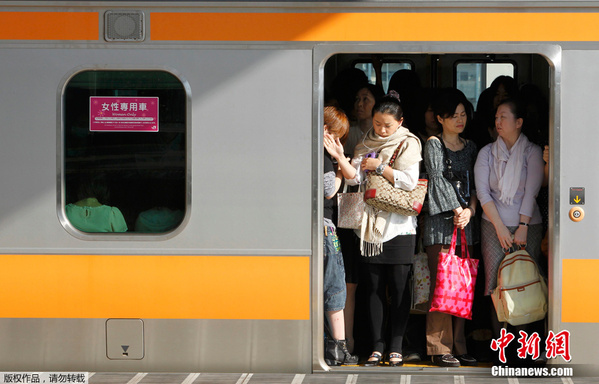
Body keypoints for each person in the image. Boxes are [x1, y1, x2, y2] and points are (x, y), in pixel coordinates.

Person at [327, 91, 422, 367]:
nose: (381, 129)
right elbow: (354, 177)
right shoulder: (363, 142)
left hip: (399, 228)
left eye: (387, 125)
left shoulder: (409, 143)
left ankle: (395, 347)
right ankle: (377, 347)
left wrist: (380, 167)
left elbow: (409, 181)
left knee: (399, 288)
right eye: (378, 123)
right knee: (373, 290)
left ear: (400, 122)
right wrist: (340, 157)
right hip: (367, 230)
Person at [474, 97, 545, 364]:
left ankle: (527, 347)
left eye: (504, 117)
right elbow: (483, 193)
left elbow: (532, 191)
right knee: (496, 285)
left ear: (518, 122)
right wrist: (500, 227)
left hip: (529, 225)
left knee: (526, 282)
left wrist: (523, 225)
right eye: (496, 117)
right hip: (494, 225)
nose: (498, 122)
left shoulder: (532, 151)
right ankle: (504, 349)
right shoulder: (486, 153)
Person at [422, 88, 479, 367]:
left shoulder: (471, 147)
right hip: (441, 227)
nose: (460, 120)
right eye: (453, 116)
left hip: (466, 225)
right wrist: (457, 210)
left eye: (463, 114)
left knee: (461, 286)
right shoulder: (433, 143)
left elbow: (476, 184)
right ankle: (439, 348)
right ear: (440, 118)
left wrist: (470, 210)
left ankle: (460, 345)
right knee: (442, 286)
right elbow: (437, 179)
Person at [322, 106, 359, 366]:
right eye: (336, 135)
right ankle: (339, 349)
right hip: (324, 228)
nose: (338, 142)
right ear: (326, 131)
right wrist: (337, 164)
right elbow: (329, 191)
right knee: (335, 288)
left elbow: (354, 176)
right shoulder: (321, 156)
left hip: (316, 227)